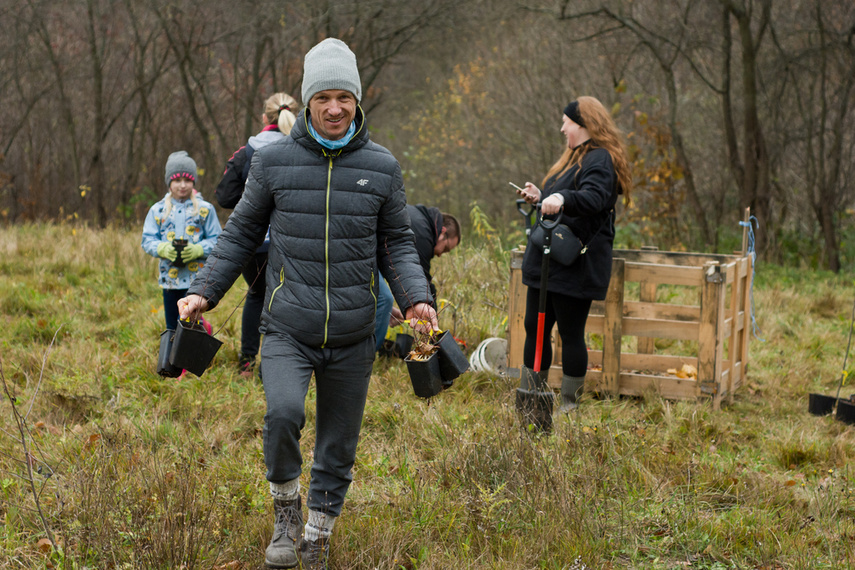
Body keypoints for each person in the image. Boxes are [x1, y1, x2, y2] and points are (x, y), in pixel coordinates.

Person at [177, 38, 438, 569]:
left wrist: (416, 298)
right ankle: (286, 515)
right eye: (324, 97)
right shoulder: (273, 162)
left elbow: (398, 244)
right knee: (282, 414)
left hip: (353, 332)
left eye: (345, 97)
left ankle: (317, 535)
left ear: (358, 101)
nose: (335, 107)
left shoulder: (382, 168)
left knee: (338, 444)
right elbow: (239, 234)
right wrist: (204, 290)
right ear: (308, 101)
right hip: (287, 327)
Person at [515, 97, 632, 413]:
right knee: (535, 328)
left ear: (583, 125)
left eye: (566, 121)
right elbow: (564, 200)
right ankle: (532, 401)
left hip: (575, 264)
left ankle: (569, 407)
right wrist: (542, 197)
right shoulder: (573, 158)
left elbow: (593, 198)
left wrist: (561, 197)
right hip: (548, 259)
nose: (562, 127)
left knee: (570, 334)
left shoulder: (600, 160)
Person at [215, 93, 299, 378]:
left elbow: (225, 197)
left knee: (255, 296)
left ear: (265, 117)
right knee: (287, 301)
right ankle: (278, 366)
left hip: (253, 242)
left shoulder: (246, 152)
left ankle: (247, 363)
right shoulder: (302, 150)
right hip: (292, 242)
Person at [141, 150, 222, 333]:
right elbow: (147, 240)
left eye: (187, 180)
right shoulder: (158, 210)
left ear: (194, 181)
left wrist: (199, 249)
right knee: (172, 325)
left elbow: (217, 240)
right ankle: (171, 359)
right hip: (170, 279)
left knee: (191, 323)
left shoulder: (204, 209)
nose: (183, 185)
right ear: (169, 182)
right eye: (177, 180)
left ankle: (191, 357)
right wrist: (161, 248)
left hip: (196, 279)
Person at [375, 204, 461, 352]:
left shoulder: (420, 220)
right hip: (359, 254)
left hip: (367, 254)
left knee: (382, 303)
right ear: (443, 232)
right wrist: (433, 328)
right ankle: (368, 354)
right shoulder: (422, 234)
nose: (440, 254)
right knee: (384, 300)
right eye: (445, 248)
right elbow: (422, 283)